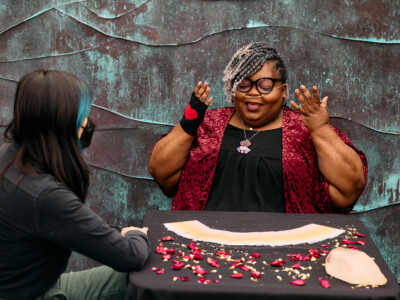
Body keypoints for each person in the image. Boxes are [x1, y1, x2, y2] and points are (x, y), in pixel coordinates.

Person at [148, 42, 368, 213]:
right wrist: (189, 123)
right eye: (243, 84)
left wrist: (320, 128)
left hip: (287, 251)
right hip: (204, 247)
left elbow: (350, 187)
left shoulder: (304, 129)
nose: (253, 92)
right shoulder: (209, 125)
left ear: (283, 90)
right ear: (233, 89)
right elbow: (161, 171)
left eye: (265, 85)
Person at [0, 70, 150, 300]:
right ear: (62, 125)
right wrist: (135, 235)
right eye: (82, 118)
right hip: (34, 294)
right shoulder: (44, 195)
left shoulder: (7, 158)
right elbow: (130, 256)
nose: (88, 125)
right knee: (136, 278)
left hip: (19, 286)